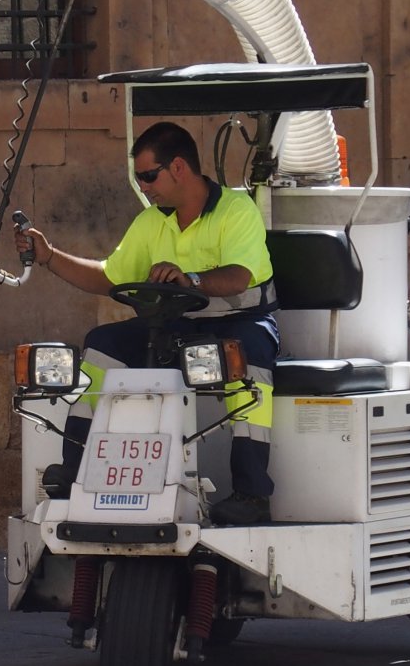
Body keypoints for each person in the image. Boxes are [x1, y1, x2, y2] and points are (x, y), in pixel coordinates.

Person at [14, 121, 277, 525]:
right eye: (138, 177)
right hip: (176, 329)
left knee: (248, 355)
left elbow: (239, 277)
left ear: (178, 169)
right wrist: (49, 257)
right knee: (103, 344)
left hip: (237, 323)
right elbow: (108, 277)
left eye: (148, 176)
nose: (144, 186)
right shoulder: (152, 222)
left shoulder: (236, 210)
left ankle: (253, 492)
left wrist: (190, 280)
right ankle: (77, 467)